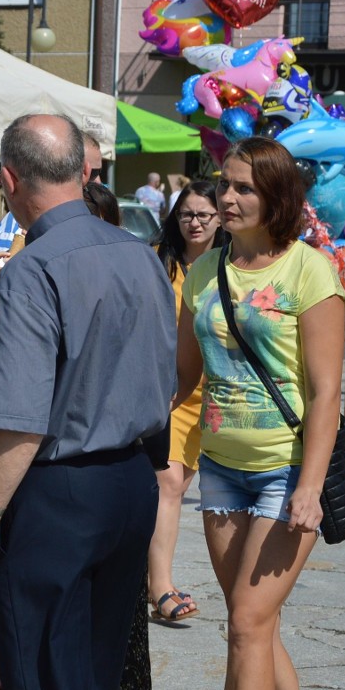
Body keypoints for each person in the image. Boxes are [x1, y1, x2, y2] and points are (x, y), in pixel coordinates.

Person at [0, 114, 177, 690]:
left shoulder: (31, 269)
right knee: (94, 681)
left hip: (60, 491)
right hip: (129, 482)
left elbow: (21, 419)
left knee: (46, 683)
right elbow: (169, 375)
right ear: (81, 171)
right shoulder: (142, 257)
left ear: (10, 179)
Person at [175, 137, 345, 690]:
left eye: (243, 187)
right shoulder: (202, 272)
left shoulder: (310, 270)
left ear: (275, 196)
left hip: (287, 469)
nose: (227, 196)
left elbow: (327, 393)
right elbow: (181, 378)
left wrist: (309, 486)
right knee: (257, 624)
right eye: (224, 184)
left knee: (245, 624)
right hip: (221, 472)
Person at [148, 180, 225, 622]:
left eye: (204, 215)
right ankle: (161, 585)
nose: (194, 223)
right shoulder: (160, 260)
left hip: (213, 392)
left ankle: (148, 575)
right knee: (168, 485)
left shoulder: (228, 264)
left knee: (177, 485)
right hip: (169, 387)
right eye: (187, 214)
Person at [0, 131, 103, 266]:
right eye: (93, 173)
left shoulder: (101, 214)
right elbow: (0, 274)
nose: (99, 181)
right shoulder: (15, 224)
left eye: (99, 172)